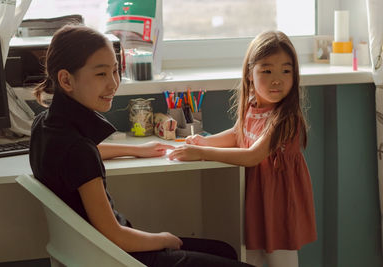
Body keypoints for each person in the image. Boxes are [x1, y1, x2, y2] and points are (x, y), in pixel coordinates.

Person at [29, 24, 252, 267]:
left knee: (224, 251)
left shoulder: (44, 126)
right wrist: (163, 239)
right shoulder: (79, 150)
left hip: (90, 252)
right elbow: (115, 236)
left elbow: (76, 161)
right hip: (121, 256)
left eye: (116, 71)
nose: (113, 84)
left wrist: (135, 149)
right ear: (66, 80)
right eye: (101, 74)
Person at [169, 31, 317, 267]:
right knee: (251, 256)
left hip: (278, 202)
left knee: (281, 259)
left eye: (285, 71)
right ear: (250, 74)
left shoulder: (285, 118)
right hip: (257, 195)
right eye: (267, 71)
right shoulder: (251, 106)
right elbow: (238, 134)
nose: (277, 79)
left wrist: (203, 153)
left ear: (295, 75)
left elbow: (252, 155)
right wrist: (205, 141)